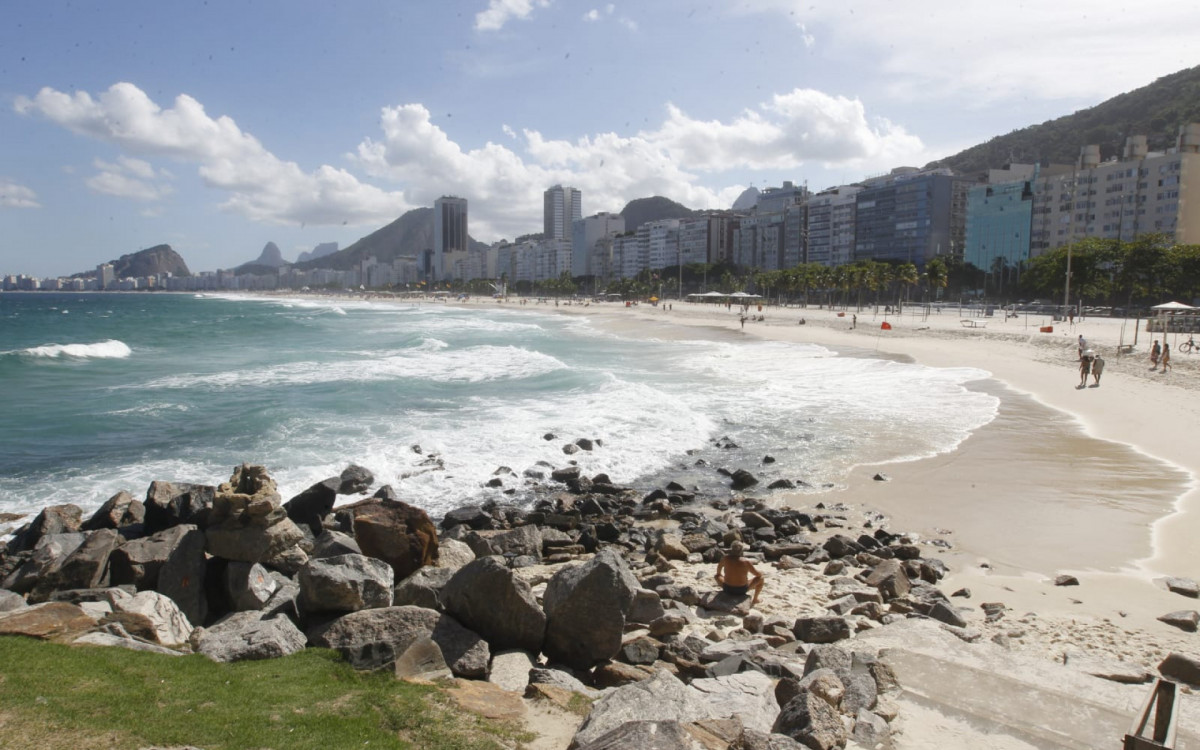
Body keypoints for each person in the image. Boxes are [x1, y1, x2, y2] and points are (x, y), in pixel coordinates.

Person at [714, 541, 763, 606]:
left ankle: (727, 592)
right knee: (761, 578)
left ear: (731, 549)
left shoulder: (725, 558)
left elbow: (718, 571)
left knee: (716, 576)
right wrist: (761, 572)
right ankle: (755, 599)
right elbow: (757, 574)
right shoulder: (746, 562)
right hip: (741, 590)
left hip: (727, 588)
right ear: (741, 550)